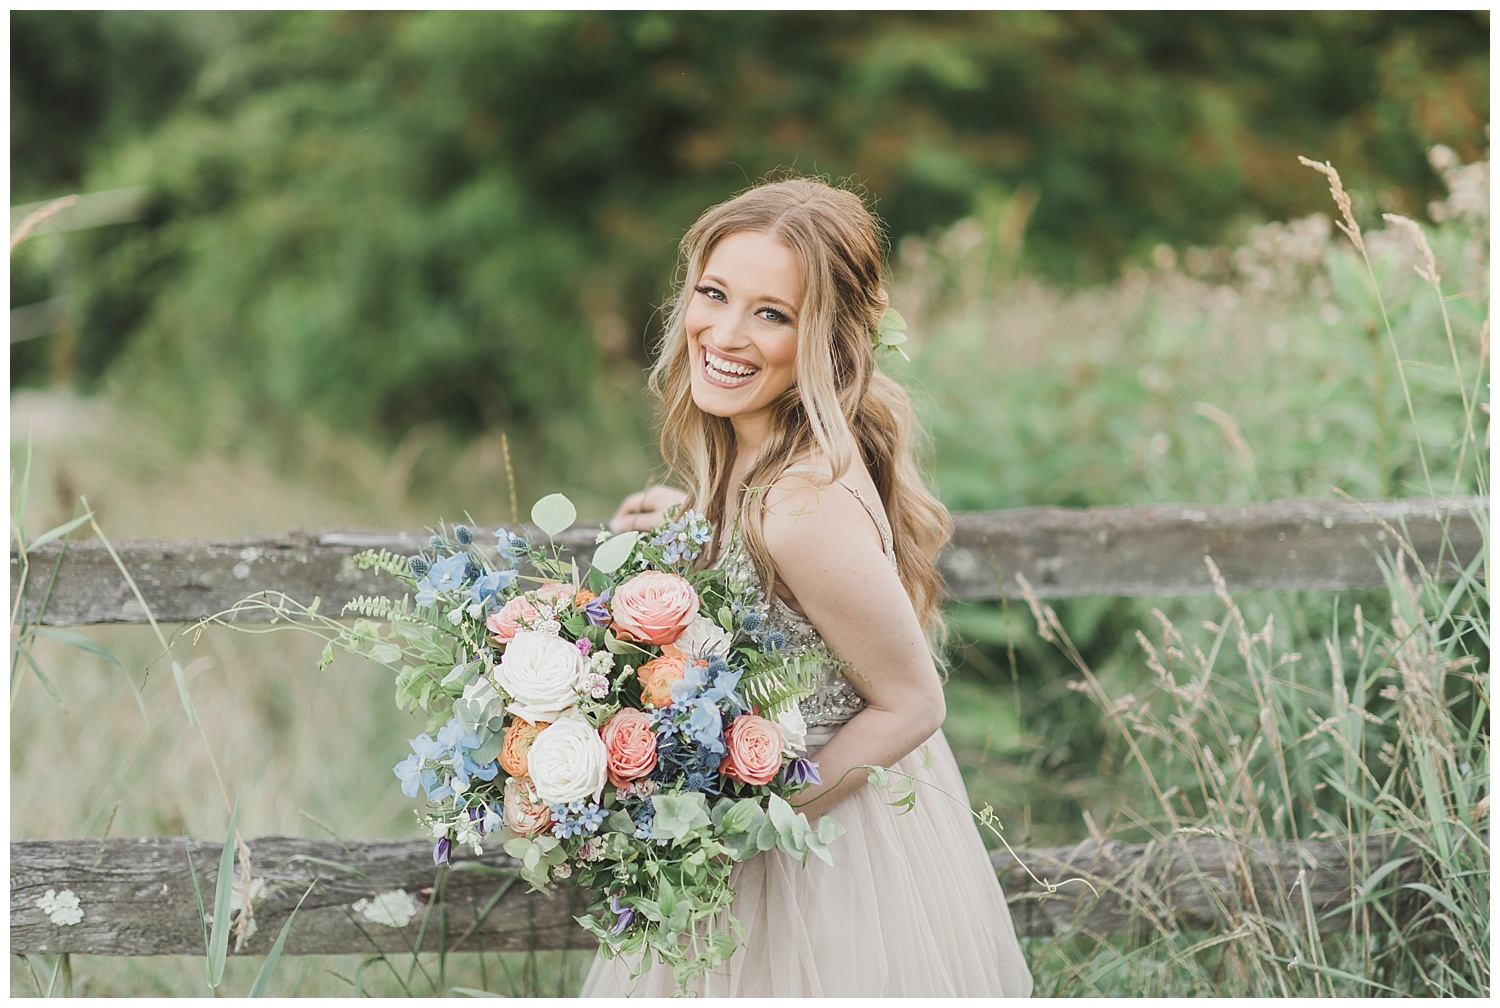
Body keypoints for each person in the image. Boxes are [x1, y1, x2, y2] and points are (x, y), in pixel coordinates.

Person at [579, 178, 1033, 997]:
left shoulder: (800, 503)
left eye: (772, 314)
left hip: (820, 855)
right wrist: (684, 522)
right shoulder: (757, 456)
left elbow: (913, 704)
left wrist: (736, 831)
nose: (725, 333)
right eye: (714, 294)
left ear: (824, 341)